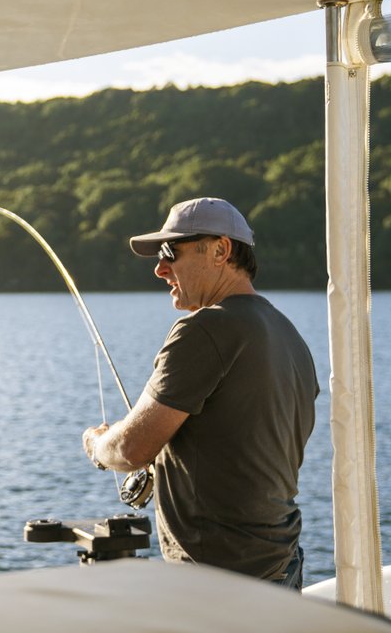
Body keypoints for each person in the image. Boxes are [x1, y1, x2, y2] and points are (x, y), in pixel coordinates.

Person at [82, 197, 317, 589]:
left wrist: (97, 445)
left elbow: (132, 449)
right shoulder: (289, 336)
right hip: (282, 566)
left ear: (221, 250)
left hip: (219, 581)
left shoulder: (204, 329)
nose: (160, 269)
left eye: (170, 252)